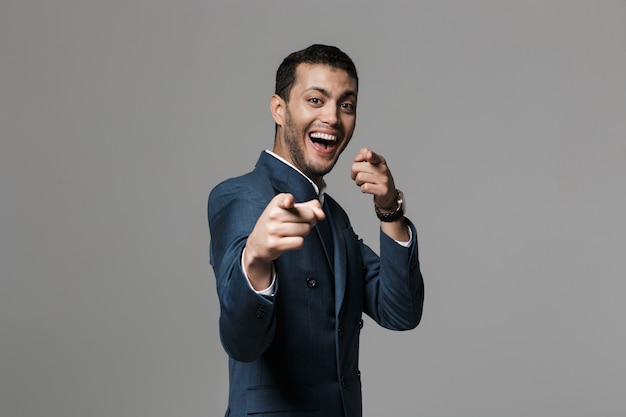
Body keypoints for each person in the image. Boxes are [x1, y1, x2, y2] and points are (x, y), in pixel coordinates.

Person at [208, 44, 424, 417]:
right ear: (279, 109)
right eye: (315, 100)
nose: (333, 118)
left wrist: (390, 209)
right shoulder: (242, 196)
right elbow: (242, 344)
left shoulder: (334, 218)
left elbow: (400, 311)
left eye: (346, 105)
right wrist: (256, 263)